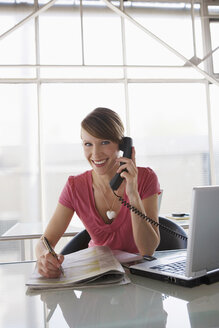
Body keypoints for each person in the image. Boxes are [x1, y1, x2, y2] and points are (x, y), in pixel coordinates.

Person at [36, 107, 161, 278]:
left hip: (139, 278)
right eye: (88, 144)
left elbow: (148, 249)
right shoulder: (75, 186)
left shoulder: (146, 178)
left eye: (104, 142)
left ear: (122, 145)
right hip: (97, 277)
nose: (95, 154)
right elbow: (45, 241)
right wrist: (44, 257)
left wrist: (132, 193)